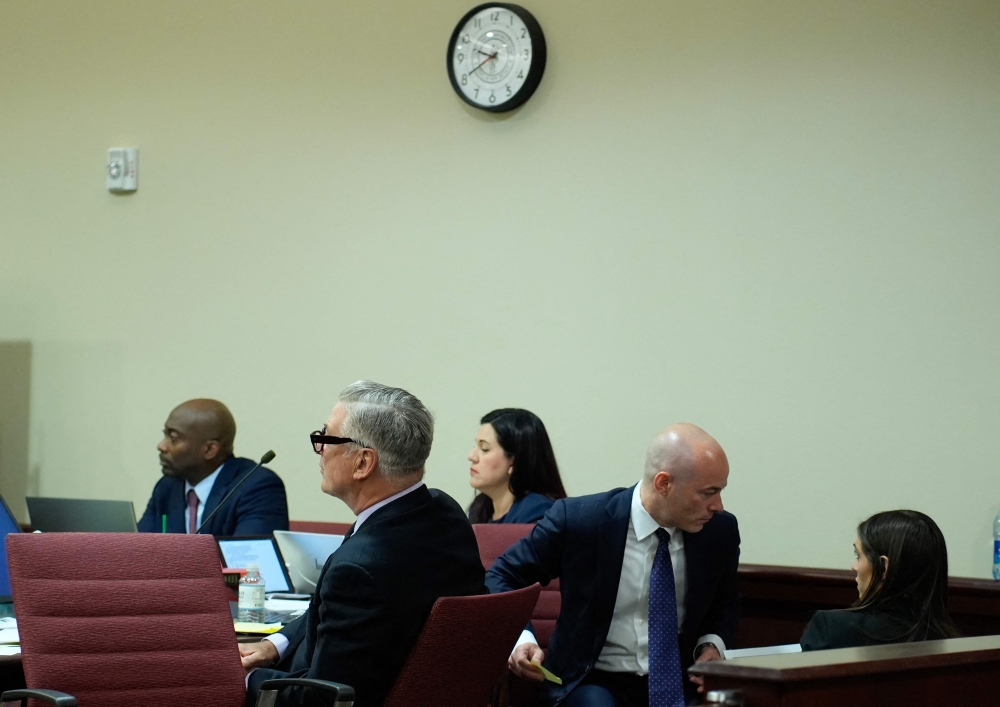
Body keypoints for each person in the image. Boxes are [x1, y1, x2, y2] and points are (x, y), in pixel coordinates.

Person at [240, 381, 486, 707]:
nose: (321, 448)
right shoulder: (443, 513)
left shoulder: (359, 567)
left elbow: (320, 700)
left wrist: (245, 679)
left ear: (363, 463)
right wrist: (277, 644)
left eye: (327, 437)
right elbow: (338, 614)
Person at [487, 423, 740, 707]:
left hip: (680, 680)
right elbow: (501, 576)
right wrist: (521, 638)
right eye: (708, 493)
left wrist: (711, 644)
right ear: (663, 484)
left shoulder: (719, 532)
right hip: (593, 680)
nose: (718, 505)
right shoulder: (581, 522)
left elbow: (725, 603)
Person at [800, 510, 959, 651]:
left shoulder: (830, 628)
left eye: (858, 555)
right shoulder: (951, 642)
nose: (853, 566)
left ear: (883, 567)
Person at [136, 399, 288, 536]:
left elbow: (249, 554)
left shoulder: (257, 487)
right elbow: (139, 548)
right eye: (165, 435)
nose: (161, 446)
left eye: (173, 438)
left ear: (209, 449)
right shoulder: (167, 487)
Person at [468, 408, 567, 524]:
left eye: (484, 448)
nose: (471, 456)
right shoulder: (480, 507)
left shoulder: (538, 512)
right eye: (475, 446)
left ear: (513, 461)